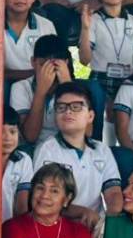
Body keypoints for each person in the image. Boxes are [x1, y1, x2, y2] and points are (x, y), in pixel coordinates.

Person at [31, 81, 123, 226]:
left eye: (76, 107)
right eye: (61, 107)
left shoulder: (102, 150)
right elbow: (46, 199)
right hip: (56, 225)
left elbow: (113, 192)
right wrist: (83, 212)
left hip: (94, 224)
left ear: (90, 116)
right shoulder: (47, 150)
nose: (68, 112)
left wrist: (110, 220)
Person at [77, 0, 133, 119]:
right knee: (99, 112)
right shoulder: (93, 21)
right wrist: (85, 29)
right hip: (100, 78)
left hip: (129, 77)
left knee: (124, 116)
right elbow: (84, 60)